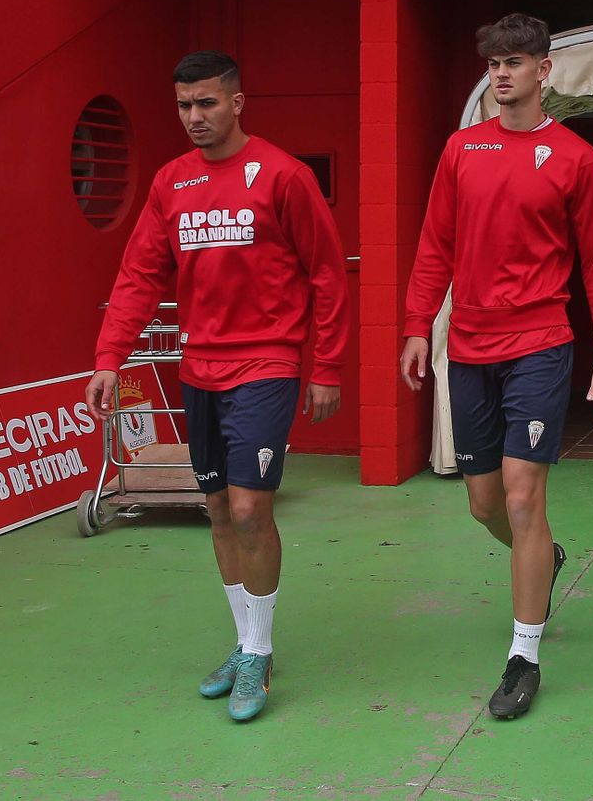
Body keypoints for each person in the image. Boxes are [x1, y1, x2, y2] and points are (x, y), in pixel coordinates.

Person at [87, 50, 348, 722]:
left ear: (237, 102)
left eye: (206, 103)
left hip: (266, 364)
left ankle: (259, 656)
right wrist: (109, 358)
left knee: (248, 510)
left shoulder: (282, 175)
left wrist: (327, 367)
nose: (194, 117)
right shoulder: (171, 183)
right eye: (183, 105)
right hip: (197, 367)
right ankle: (245, 639)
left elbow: (327, 275)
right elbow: (140, 274)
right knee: (214, 510)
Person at [400, 12, 593, 719]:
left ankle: (524, 653)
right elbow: (436, 242)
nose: (501, 74)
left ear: (543, 71)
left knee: (526, 497)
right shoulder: (460, 150)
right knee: (484, 503)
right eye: (494, 63)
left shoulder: (575, 158)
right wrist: (416, 325)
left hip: (540, 342)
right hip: (468, 346)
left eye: (515, 62)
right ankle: (543, 557)